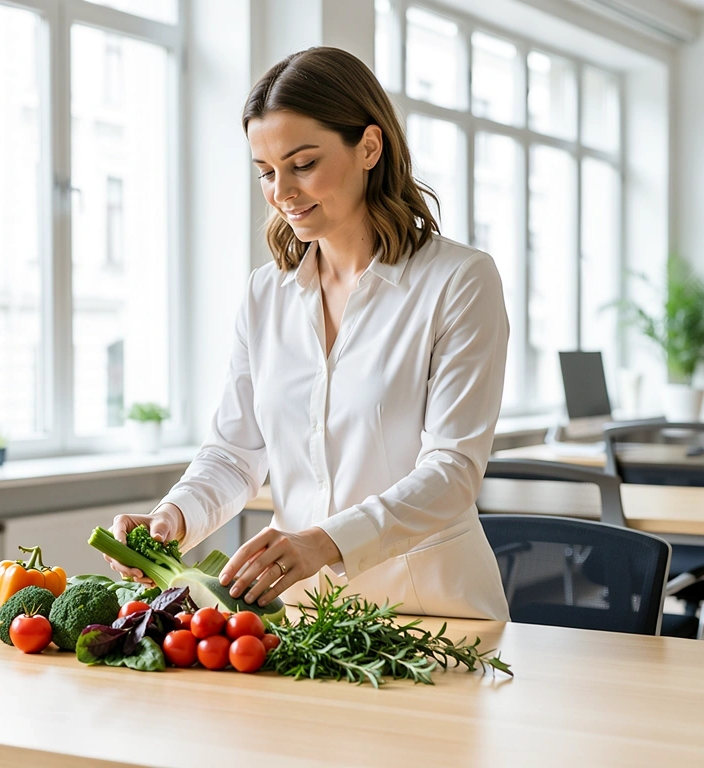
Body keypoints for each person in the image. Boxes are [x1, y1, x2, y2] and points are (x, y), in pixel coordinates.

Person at [105, 46, 511, 621]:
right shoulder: (265, 293)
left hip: (431, 612)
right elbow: (235, 452)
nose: (282, 192)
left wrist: (322, 542)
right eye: (267, 172)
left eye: (303, 164)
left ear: (369, 147)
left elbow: (452, 472)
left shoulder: (459, 280)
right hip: (302, 615)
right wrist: (175, 517)